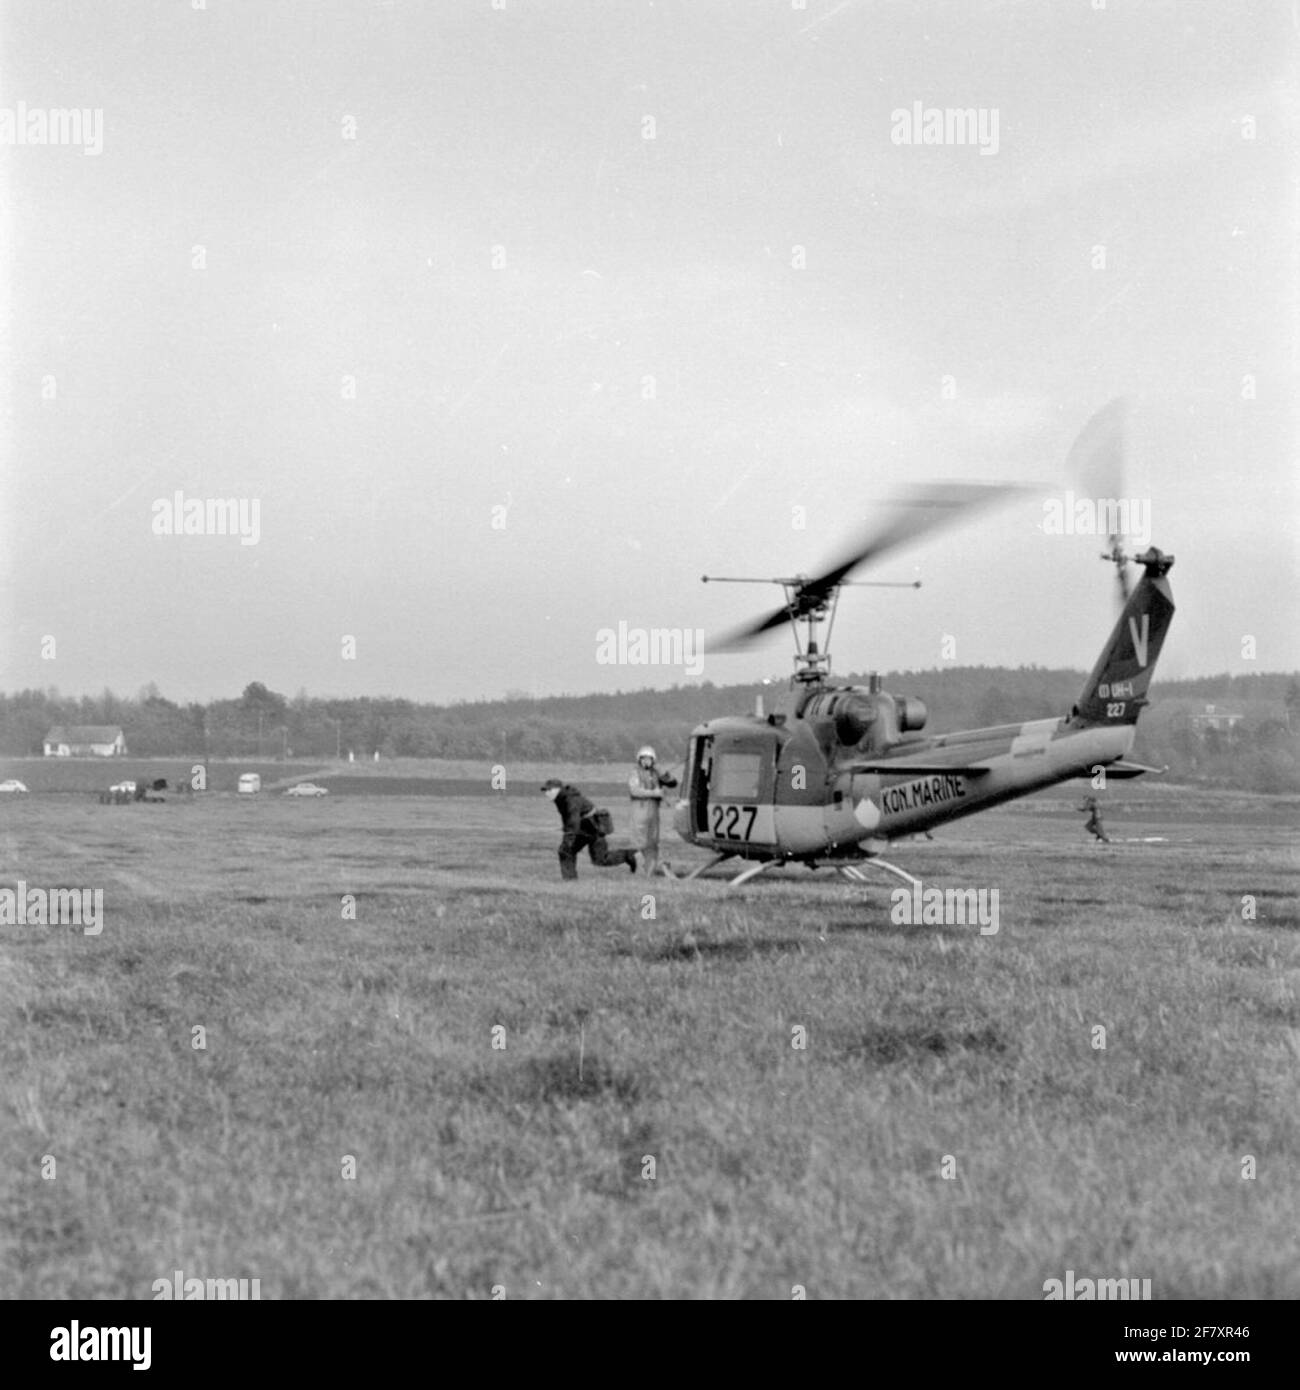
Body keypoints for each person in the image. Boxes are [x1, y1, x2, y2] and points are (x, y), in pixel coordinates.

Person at [541, 778, 638, 880]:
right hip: (584, 828)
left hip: (593, 829)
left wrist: (568, 838)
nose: (546, 793)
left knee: (594, 858)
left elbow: (573, 821)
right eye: (545, 790)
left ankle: (627, 855)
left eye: (549, 790)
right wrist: (567, 832)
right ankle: (570, 881)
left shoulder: (571, 800)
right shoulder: (560, 799)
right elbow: (568, 818)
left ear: (558, 790)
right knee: (572, 853)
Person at [627, 746, 678, 877]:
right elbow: (634, 790)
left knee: (652, 842)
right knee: (639, 842)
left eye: (649, 759)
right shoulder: (635, 773)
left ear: (653, 760)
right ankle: (638, 871)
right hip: (639, 812)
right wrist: (654, 793)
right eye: (643, 758)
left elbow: (673, 783)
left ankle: (649, 872)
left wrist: (664, 773)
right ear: (639, 760)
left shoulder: (656, 773)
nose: (646, 761)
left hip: (653, 813)